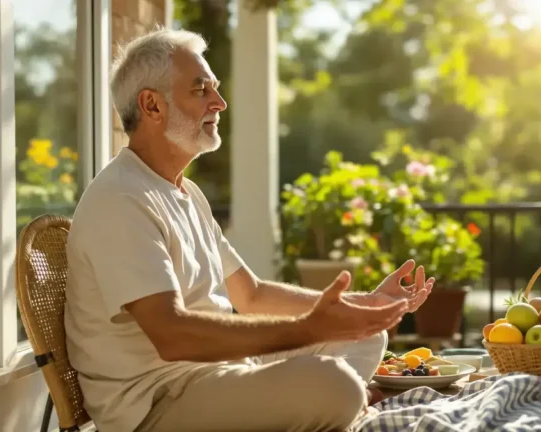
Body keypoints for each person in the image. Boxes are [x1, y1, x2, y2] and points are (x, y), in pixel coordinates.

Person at [63, 27, 435, 432]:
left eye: (215, 88)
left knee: (366, 335)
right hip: (159, 401)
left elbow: (251, 293)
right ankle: (342, 406)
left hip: (218, 372)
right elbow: (173, 336)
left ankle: (336, 408)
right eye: (201, 89)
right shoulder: (121, 199)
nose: (219, 102)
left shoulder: (184, 192)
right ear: (152, 105)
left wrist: (366, 303)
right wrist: (306, 330)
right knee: (336, 384)